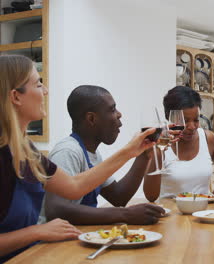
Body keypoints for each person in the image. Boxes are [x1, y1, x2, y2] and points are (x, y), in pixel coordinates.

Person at [0, 55, 156, 262]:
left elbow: (74, 185)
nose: (45, 91)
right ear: (16, 97)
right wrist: (36, 232)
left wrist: (132, 150)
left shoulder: (27, 149)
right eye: (38, 84)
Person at [40, 85, 165, 226]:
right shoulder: (68, 151)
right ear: (91, 119)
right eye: (112, 109)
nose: (119, 114)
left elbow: (119, 196)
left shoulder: (92, 153)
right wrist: (125, 214)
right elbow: (56, 210)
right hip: (51, 247)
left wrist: (143, 154)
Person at [143, 86, 214, 201]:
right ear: (169, 117)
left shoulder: (208, 138)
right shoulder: (161, 145)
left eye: (196, 120)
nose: (191, 127)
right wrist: (158, 153)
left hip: (203, 213)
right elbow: (150, 197)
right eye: (184, 121)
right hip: (171, 215)